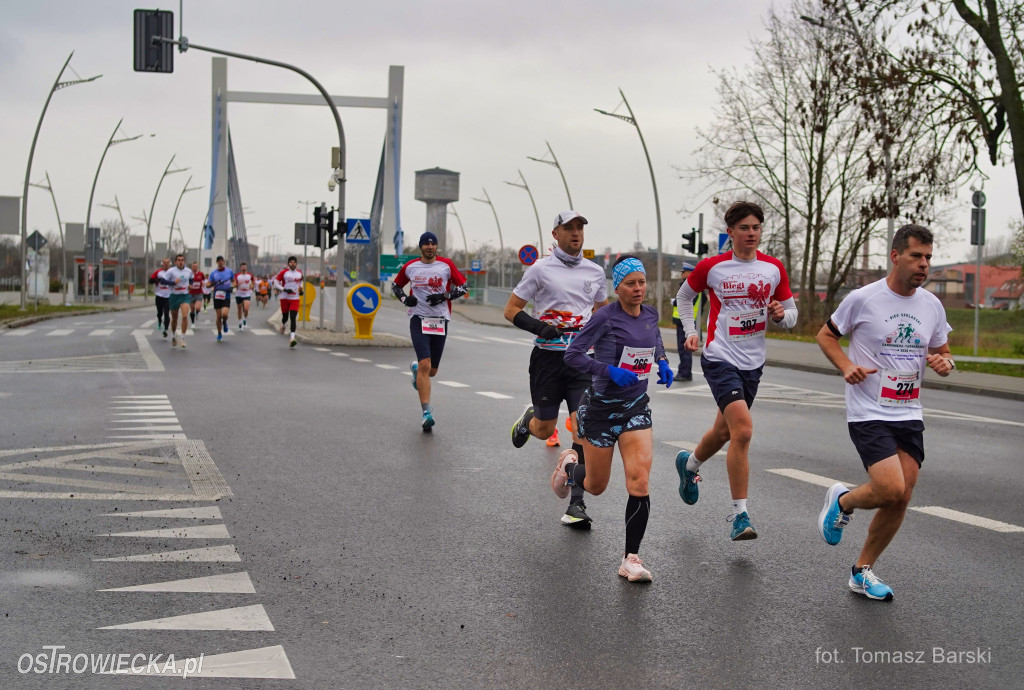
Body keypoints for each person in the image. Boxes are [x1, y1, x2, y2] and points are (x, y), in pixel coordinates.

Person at [815, 224, 954, 601]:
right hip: (868, 410)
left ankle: (861, 571)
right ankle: (842, 502)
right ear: (895, 256)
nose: (924, 264)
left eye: (928, 257)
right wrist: (846, 365)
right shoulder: (863, 298)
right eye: (916, 256)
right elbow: (826, 335)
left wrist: (943, 363)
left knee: (902, 495)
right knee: (890, 487)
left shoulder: (932, 305)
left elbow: (942, 349)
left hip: (908, 409)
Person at [673, 201, 797, 540]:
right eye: (744, 228)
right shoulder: (713, 267)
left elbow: (791, 314)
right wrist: (691, 330)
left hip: (753, 362)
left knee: (724, 432)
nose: (751, 233)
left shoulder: (773, 268)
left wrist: (779, 315)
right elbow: (684, 298)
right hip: (719, 356)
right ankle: (740, 515)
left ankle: (690, 465)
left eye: (756, 227)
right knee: (742, 431)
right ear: (731, 233)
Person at [552, 256, 674, 582]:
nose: (638, 288)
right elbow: (573, 354)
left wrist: (661, 361)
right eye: (631, 283)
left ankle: (630, 559)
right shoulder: (604, 318)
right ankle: (568, 467)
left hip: (635, 408)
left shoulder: (650, 314)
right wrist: (608, 371)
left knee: (640, 481)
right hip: (601, 411)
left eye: (642, 282)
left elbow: (655, 341)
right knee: (596, 485)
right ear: (616, 287)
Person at [505, 211, 608, 529]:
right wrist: (539, 327)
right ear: (555, 233)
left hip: (581, 362)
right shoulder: (540, 269)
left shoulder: (595, 272)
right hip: (547, 362)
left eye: (580, 227)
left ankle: (576, 503)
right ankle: (529, 420)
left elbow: (602, 316)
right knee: (545, 429)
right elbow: (511, 310)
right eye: (569, 228)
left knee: (583, 430)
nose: (576, 233)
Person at [391, 232, 468, 431]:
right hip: (418, 318)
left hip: (440, 320)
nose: (430, 247)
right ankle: (426, 413)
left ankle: (417, 370)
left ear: (436, 247)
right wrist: (404, 300)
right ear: (421, 247)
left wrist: (444, 296)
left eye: (433, 244)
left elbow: (463, 287)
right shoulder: (410, 267)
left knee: (431, 371)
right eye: (426, 244)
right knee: (426, 364)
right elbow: (396, 285)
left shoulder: (446, 265)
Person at [671, 263, 698, 381]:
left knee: (684, 349)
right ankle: (684, 371)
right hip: (683, 320)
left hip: (685, 322)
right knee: (682, 349)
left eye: (684, 271)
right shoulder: (687, 284)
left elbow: (689, 301)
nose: (681, 273)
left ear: (690, 272)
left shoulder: (691, 285)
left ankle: (685, 373)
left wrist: (675, 302)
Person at [162, 254, 193, 348]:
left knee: (184, 315)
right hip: (174, 296)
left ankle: (182, 338)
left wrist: (190, 285)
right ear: (175, 262)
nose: (180, 262)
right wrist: (173, 283)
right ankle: (173, 335)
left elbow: (191, 279)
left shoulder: (188, 271)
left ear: (184, 261)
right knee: (174, 318)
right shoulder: (171, 271)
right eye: (179, 260)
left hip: (185, 295)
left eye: (182, 260)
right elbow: (162, 281)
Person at [274, 257, 304, 347]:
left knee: (293, 317)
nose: (293, 264)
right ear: (288, 264)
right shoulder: (284, 273)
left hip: (295, 298)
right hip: (284, 298)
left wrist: (301, 289)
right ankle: (283, 324)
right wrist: (284, 289)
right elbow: (275, 282)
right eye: (291, 262)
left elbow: (301, 282)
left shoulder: (299, 273)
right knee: (285, 317)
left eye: (294, 262)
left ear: (296, 264)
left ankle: (292, 338)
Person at [206, 256, 235, 342]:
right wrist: (211, 284)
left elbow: (234, 281)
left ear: (224, 262)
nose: (220, 262)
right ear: (217, 262)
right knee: (218, 316)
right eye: (218, 261)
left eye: (221, 261)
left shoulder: (229, 271)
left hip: (226, 295)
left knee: (225, 314)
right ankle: (219, 333)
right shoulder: (213, 273)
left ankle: (225, 322)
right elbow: (208, 284)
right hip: (217, 295)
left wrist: (232, 287)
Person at [148, 257, 171, 337]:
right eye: (164, 263)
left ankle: (165, 329)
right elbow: (150, 281)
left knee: (167, 313)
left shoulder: (172, 272)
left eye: (167, 263)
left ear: (170, 264)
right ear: (162, 264)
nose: (166, 264)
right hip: (159, 296)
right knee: (160, 312)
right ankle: (159, 320)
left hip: (168, 297)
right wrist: (157, 280)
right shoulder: (158, 272)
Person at [234, 262, 255, 330]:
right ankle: (240, 322)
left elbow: (253, 281)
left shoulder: (250, 275)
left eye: (244, 267)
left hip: (246, 293)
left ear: (246, 267)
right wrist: (237, 284)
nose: (243, 268)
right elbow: (234, 284)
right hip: (239, 293)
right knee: (239, 309)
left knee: (246, 309)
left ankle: (244, 319)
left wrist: (252, 286)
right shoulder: (237, 275)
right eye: (242, 267)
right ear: (240, 268)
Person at [188, 261, 205, 325]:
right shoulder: (189, 274)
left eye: (196, 266)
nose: (195, 268)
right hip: (191, 293)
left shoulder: (201, 274)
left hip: (199, 293)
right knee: (192, 309)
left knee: (197, 308)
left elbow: (203, 280)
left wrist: (203, 284)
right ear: (191, 267)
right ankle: (193, 322)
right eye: (193, 266)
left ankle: (197, 312)